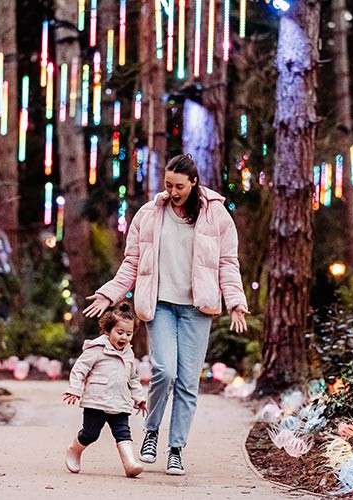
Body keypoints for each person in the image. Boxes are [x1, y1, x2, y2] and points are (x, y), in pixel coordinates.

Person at [82, 153, 249, 476]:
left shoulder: (216, 216)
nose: (172, 192)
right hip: (159, 305)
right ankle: (152, 431)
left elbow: (228, 262)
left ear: (194, 183)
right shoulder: (149, 214)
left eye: (179, 186)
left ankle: (176, 448)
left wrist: (236, 300)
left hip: (196, 309)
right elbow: (131, 262)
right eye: (168, 185)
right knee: (164, 371)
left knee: (187, 382)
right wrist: (109, 292)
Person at [63, 301, 148, 478]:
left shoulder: (129, 353)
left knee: (123, 433)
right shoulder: (96, 349)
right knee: (90, 434)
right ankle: (74, 450)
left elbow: (133, 377)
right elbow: (79, 369)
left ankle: (130, 464)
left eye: (129, 333)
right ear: (108, 330)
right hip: (96, 401)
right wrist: (75, 389)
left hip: (120, 402)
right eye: (120, 332)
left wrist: (139, 397)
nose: (124, 337)